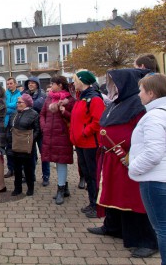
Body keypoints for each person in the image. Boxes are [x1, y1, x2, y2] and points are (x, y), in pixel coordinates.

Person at [87, 68, 158, 258]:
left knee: (131, 199)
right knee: (111, 194)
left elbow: (143, 134)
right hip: (109, 157)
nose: (111, 87)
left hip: (126, 159)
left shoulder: (137, 104)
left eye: (114, 83)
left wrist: (130, 154)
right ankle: (113, 227)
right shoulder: (116, 103)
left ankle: (145, 241)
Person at [129, 73, 166, 262]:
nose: (139, 94)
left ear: (151, 93)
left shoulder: (154, 117)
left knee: (162, 229)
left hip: (155, 180)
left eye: (141, 90)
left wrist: (133, 168)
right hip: (160, 177)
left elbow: (153, 152)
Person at [69, 70, 105, 218]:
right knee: (87, 174)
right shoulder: (81, 98)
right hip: (81, 143)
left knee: (93, 175)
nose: (74, 83)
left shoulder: (94, 99)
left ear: (82, 81)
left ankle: (97, 205)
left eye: (75, 80)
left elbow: (98, 121)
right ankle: (92, 202)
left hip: (90, 143)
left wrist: (84, 132)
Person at [40, 76, 75, 205]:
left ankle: (60, 189)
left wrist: (64, 111)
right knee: (56, 160)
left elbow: (74, 117)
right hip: (49, 134)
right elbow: (42, 114)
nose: (51, 86)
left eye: (53, 83)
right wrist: (44, 127)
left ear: (60, 85)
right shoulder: (49, 98)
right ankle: (64, 187)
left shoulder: (69, 100)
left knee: (61, 161)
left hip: (62, 135)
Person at [7, 94, 40, 196]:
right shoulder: (14, 114)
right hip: (15, 145)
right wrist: (10, 140)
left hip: (27, 146)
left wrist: (30, 140)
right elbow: (9, 128)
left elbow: (37, 130)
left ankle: (30, 188)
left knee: (28, 168)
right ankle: (17, 188)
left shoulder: (34, 114)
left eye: (20, 102)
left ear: (27, 103)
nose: (18, 104)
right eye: (17, 102)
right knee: (17, 169)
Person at [22, 76, 49, 186]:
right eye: (29, 83)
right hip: (29, 128)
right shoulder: (25, 94)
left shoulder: (42, 94)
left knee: (44, 154)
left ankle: (46, 176)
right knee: (30, 155)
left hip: (41, 129)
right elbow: (20, 106)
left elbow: (37, 105)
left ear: (37, 84)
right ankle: (31, 176)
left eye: (33, 83)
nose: (30, 85)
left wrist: (27, 103)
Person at [3, 77, 21, 179]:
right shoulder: (5, 94)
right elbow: (4, 106)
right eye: (8, 84)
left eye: (11, 83)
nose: (9, 85)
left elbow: (16, 106)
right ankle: (10, 169)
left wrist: (8, 107)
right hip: (6, 123)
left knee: (16, 146)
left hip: (15, 122)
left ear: (15, 84)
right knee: (8, 147)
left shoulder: (20, 94)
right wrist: (10, 107)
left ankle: (18, 168)